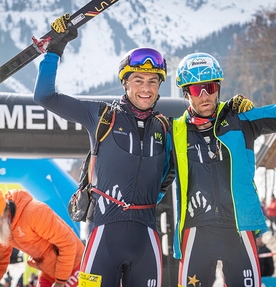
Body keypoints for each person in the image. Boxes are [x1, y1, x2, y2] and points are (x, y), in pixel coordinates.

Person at [171, 25, 276, 287]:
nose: (205, 95)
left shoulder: (242, 120)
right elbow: (151, 173)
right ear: (185, 92)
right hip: (197, 230)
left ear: (218, 87)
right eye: (196, 89)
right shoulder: (175, 131)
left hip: (239, 228)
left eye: (211, 86)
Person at [33, 20, 174, 286]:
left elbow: (170, 173)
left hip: (146, 239)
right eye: (138, 80)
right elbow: (45, 97)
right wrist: (54, 51)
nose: (146, 88)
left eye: (153, 81)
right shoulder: (101, 115)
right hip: (103, 237)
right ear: (125, 83)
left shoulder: (164, 127)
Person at [0, 187, 84, 287]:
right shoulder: (1, 227)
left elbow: (68, 243)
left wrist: (60, 281)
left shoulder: (34, 213)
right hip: (48, 271)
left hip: (75, 264)